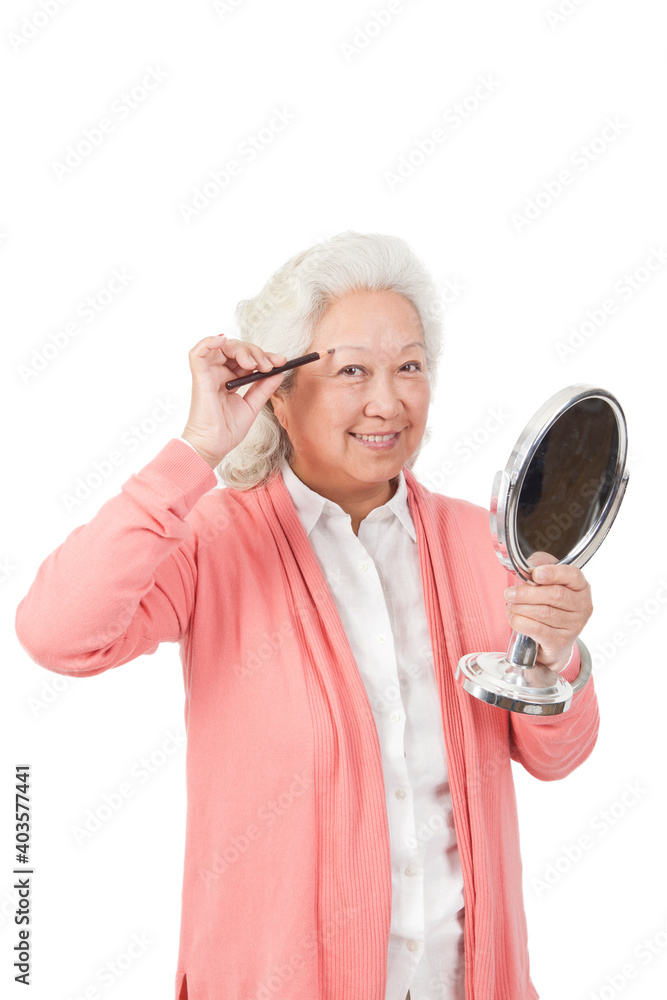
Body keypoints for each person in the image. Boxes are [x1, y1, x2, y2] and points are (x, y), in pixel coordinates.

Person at [15, 231, 598, 1000]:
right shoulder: (211, 540)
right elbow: (57, 633)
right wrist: (195, 452)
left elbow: (556, 756)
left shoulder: (480, 540)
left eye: (410, 367)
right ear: (279, 391)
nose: (387, 402)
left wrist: (556, 656)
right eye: (351, 370)